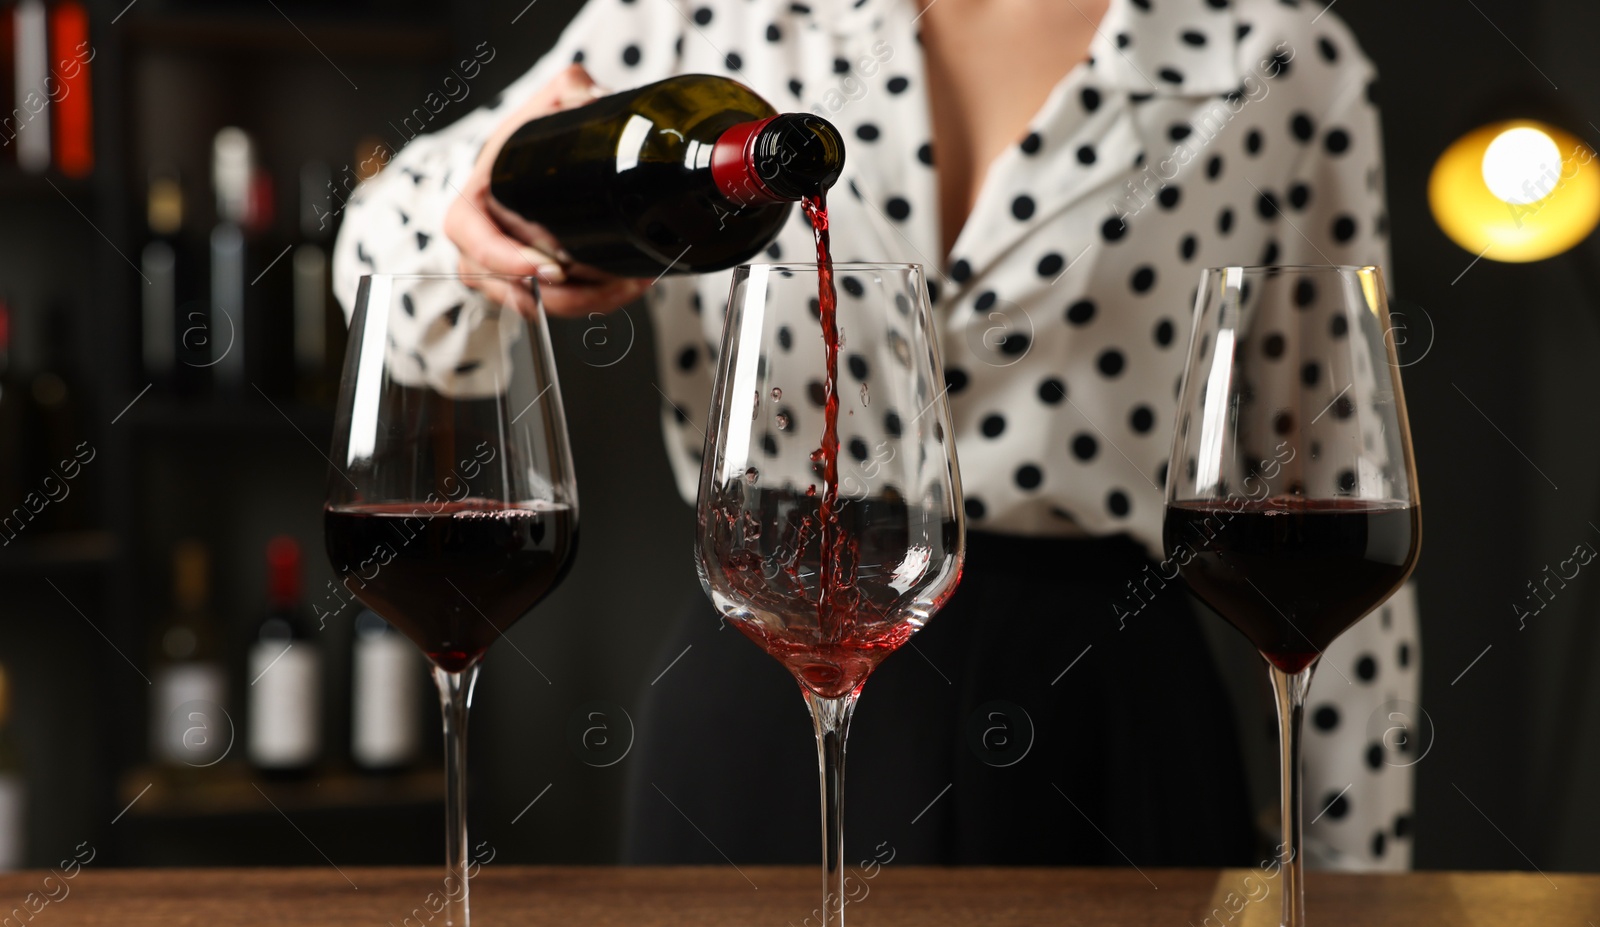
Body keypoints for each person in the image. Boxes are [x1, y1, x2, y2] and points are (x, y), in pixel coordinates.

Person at [333, 0, 1419, 869]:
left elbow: (1341, 492)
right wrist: (484, 242)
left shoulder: (1276, 53)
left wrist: (1355, 882)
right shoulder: (692, 20)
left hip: (1109, 714)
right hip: (759, 681)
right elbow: (376, 252)